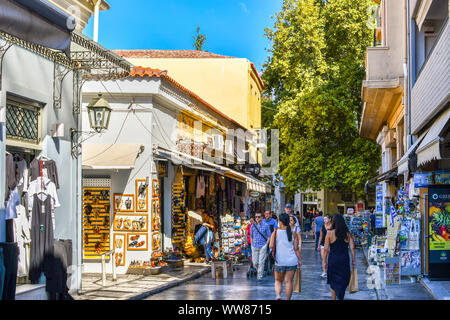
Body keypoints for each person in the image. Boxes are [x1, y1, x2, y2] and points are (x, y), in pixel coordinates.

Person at [322, 214, 356, 300]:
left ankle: (334, 298)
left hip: (333, 259)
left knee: (333, 280)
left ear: (334, 222)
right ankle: (341, 296)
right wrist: (353, 260)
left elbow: (325, 249)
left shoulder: (329, 233)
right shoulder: (347, 234)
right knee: (344, 279)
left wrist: (324, 261)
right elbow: (352, 248)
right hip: (344, 259)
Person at [270, 213, 302, 300]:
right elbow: (296, 249)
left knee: (278, 280)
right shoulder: (293, 233)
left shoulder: (275, 233)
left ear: (279, 222)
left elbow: (270, 246)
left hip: (280, 261)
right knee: (288, 282)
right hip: (292, 261)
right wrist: (299, 260)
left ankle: (278, 295)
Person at [250, 212, 271, 283]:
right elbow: (251, 236)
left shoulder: (266, 225)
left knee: (261, 262)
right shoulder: (253, 226)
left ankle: (259, 277)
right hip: (254, 246)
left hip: (262, 246)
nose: (257, 218)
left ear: (262, 218)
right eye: (256, 217)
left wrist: (266, 245)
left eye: (259, 217)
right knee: (255, 262)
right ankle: (259, 271)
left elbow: (269, 236)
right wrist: (252, 244)